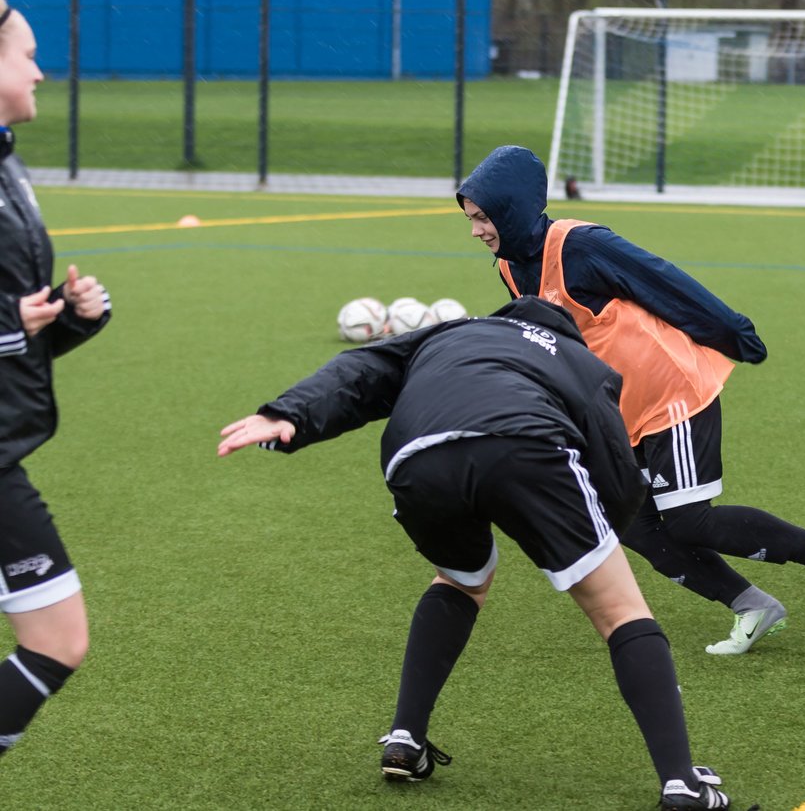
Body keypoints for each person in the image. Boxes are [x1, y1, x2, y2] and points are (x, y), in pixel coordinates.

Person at [217, 296, 731, 809]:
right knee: (619, 608)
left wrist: (288, 415)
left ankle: (406, 738)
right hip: (528, 445)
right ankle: (681, 783)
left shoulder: (449, 332)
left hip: (417, 456)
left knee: (462, 580)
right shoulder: (585, 363)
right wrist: (603, 533)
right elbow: (615, 466)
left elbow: (362, 367)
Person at [457, 145, 805, 656]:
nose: (476, 230)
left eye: (482, 218)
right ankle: (752, 605)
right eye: (472, 219)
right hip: (622, 411)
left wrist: (732, 332)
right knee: (630, 521)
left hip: (672, 391)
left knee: (689, 518)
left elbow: (663, 281)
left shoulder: (582, 244)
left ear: (511, 207)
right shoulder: (510, 268)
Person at [0, 0, 112, 761]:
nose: (42, 69)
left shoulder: (8, 161)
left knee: (58, 638)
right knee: (58, 638)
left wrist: (63, 319)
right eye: (27, 53)